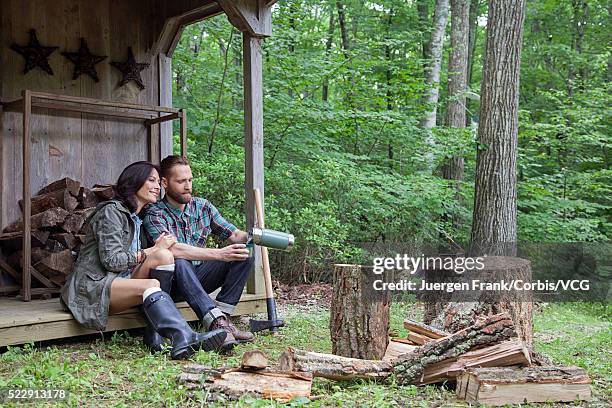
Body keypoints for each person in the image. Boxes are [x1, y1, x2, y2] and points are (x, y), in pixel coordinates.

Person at [60, 161, 226, 359]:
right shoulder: (111, 212)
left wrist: (156, 251)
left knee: (164, 255)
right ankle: (184, 337)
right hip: (92, 286)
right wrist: (151, 250)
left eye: (158, 181)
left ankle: (155, 336)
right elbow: (111, 261)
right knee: (151, 281)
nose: (158, 186)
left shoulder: (137, 217)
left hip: (120, 281)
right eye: (152, 180)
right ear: (134, 182)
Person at [143, 155, 255, 351]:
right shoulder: (154, 212)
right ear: (164, 183)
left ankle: (223, 320)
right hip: (170, 286)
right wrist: (220, 254)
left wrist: (257, 235)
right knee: (180, 261)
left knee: (242, 253)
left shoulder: (202, 206)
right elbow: (173, 249)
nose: (188, 186)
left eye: (190, 180)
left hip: (198, 278)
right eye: (181, 181)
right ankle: (216, 323)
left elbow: (235, 234)